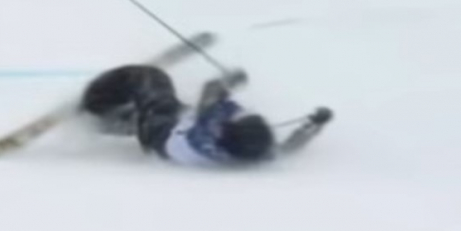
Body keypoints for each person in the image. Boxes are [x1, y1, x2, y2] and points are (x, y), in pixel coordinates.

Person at [79, 64, 333, 166]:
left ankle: (95, 103)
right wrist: (315, 124)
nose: (242, 114)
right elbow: (288, 148)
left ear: (221, 129)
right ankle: (119, 122)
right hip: (172, 134)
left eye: (240, 118)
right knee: (158, 111)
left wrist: (230, 80)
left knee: (149, 78)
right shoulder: (254, 149)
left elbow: (210, 90)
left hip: (161, 129)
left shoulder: (205, 131)